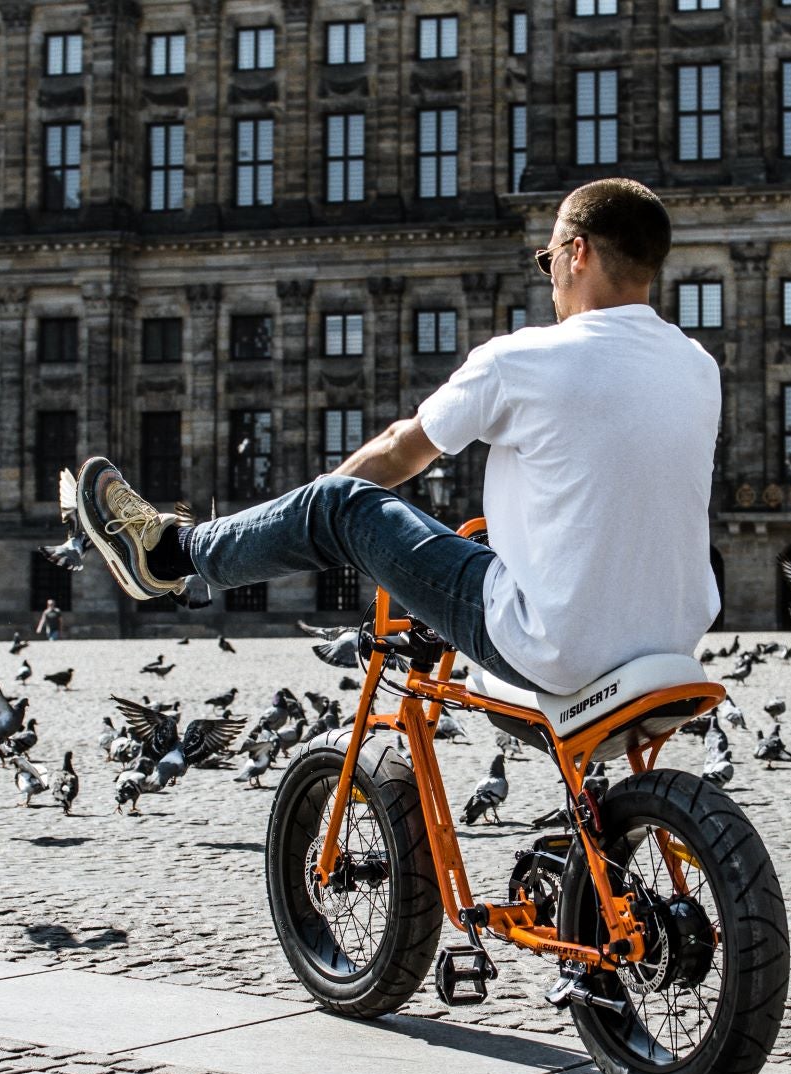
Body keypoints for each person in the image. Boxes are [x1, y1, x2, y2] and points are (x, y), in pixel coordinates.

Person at [76, 178, 720, 696]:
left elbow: (398, 451)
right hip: (672, 646)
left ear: (576, 252)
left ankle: (170, 553)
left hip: (555, 650)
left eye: (548, 257)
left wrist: (307, 516)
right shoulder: (698, 367)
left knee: (336, 503)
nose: (548, 274)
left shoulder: (525, 358)